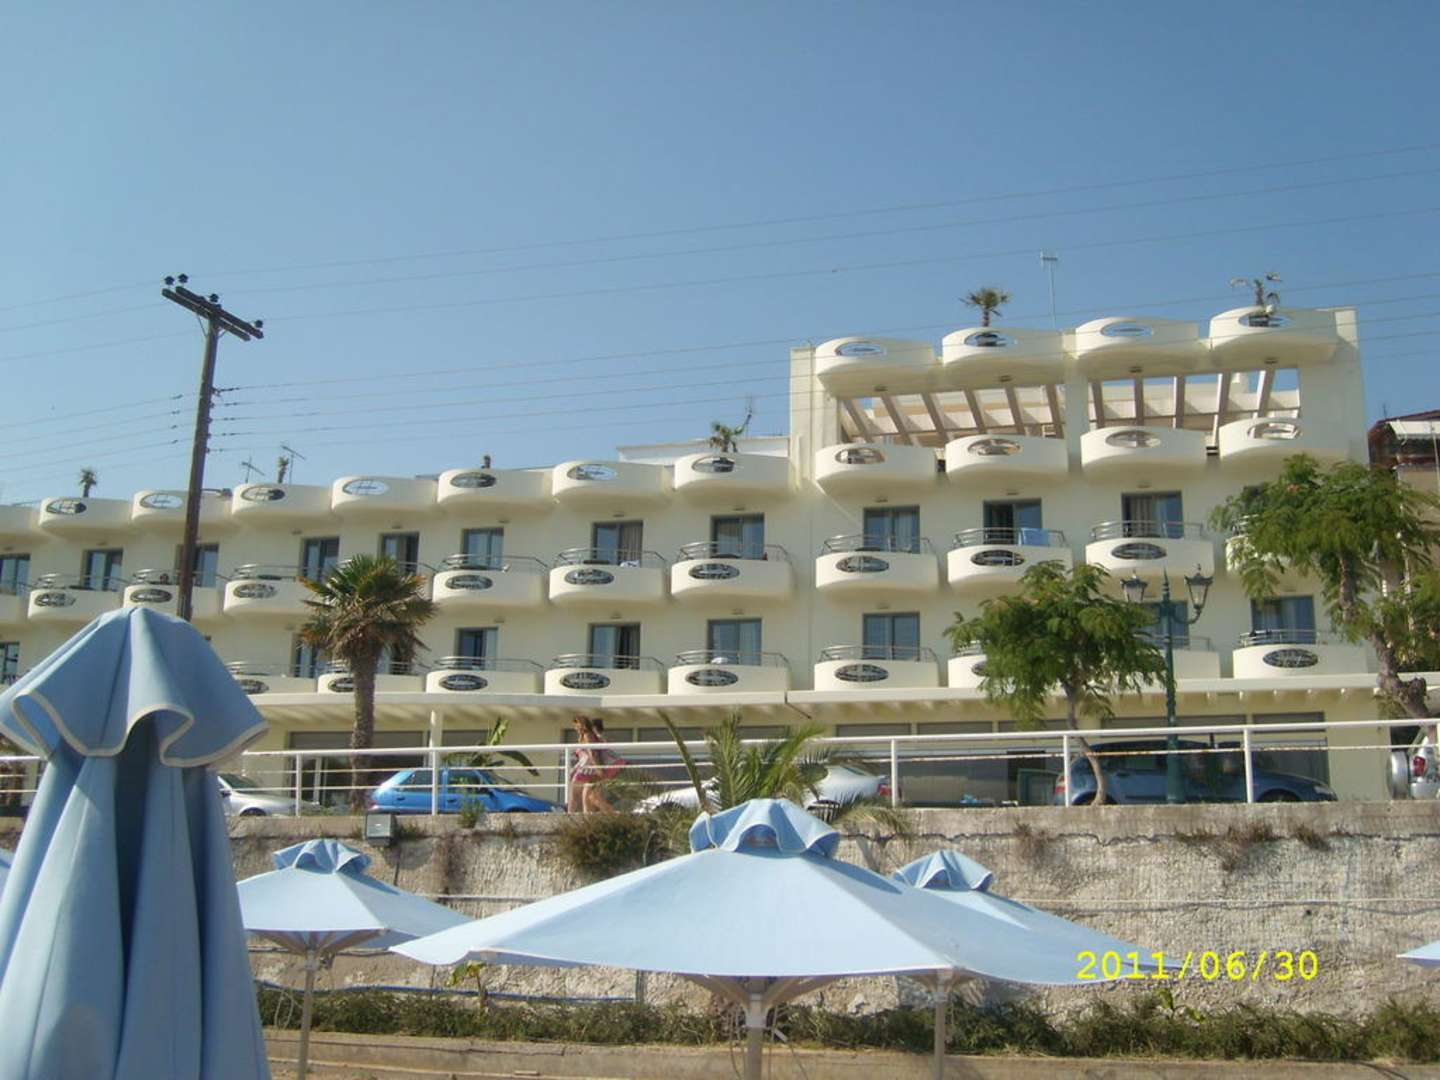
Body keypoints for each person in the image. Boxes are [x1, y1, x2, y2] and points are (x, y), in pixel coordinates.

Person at [584, 717, 616, 814]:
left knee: (592, 796)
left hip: (600, 769)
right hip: (601, 769)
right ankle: (606, 814)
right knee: (593, 796)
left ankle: (613, 814)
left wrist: (599, 770)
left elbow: (595, 754)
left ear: (593, 728)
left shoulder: (596, 738)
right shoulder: (600, 738)